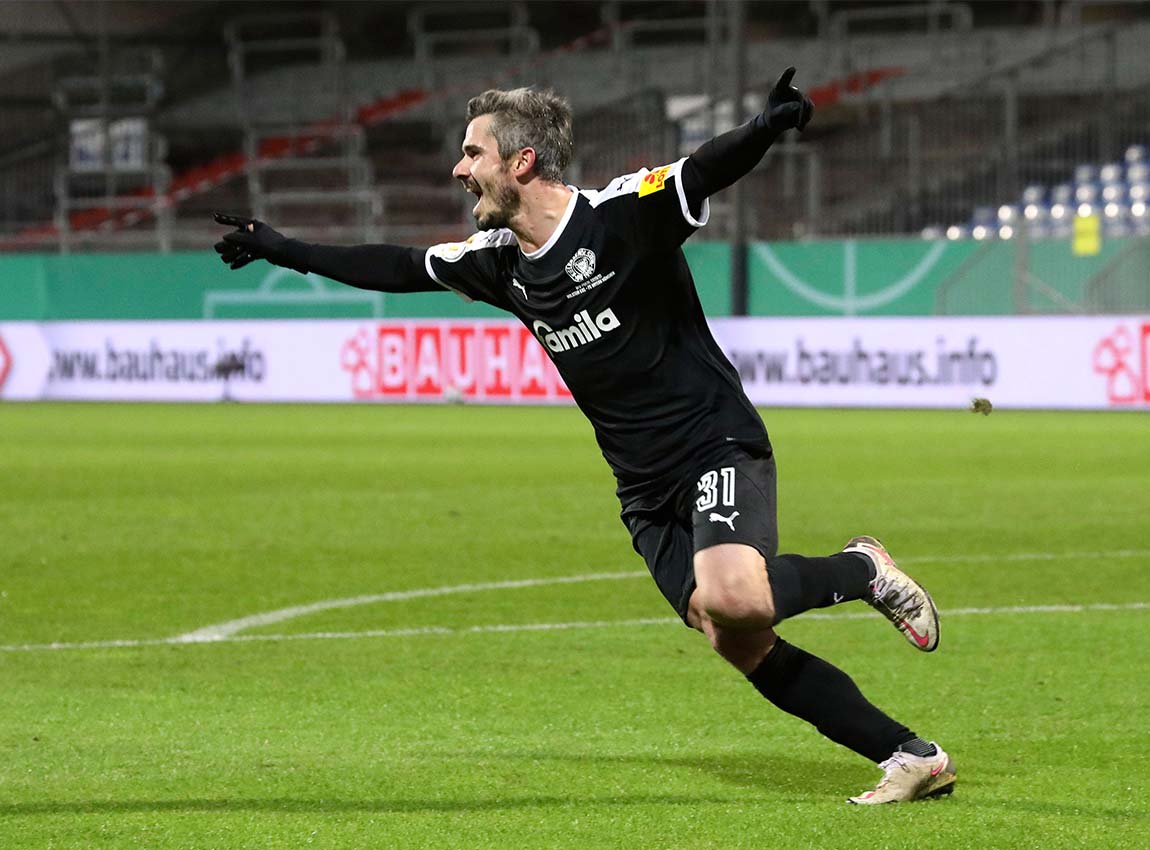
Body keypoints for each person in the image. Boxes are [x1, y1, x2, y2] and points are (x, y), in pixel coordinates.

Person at [214, 68, 956, 804]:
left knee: (735, 598)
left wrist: (764, 128)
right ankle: (910, 756)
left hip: (714, 444)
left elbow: (702, 171)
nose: (460, 170)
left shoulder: (621, 216)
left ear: (521, 162)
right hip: (642, 487)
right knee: (732, 635)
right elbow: (400, 266)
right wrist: (283, 247)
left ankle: (861, 569)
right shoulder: (500, 263)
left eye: (472, 153)